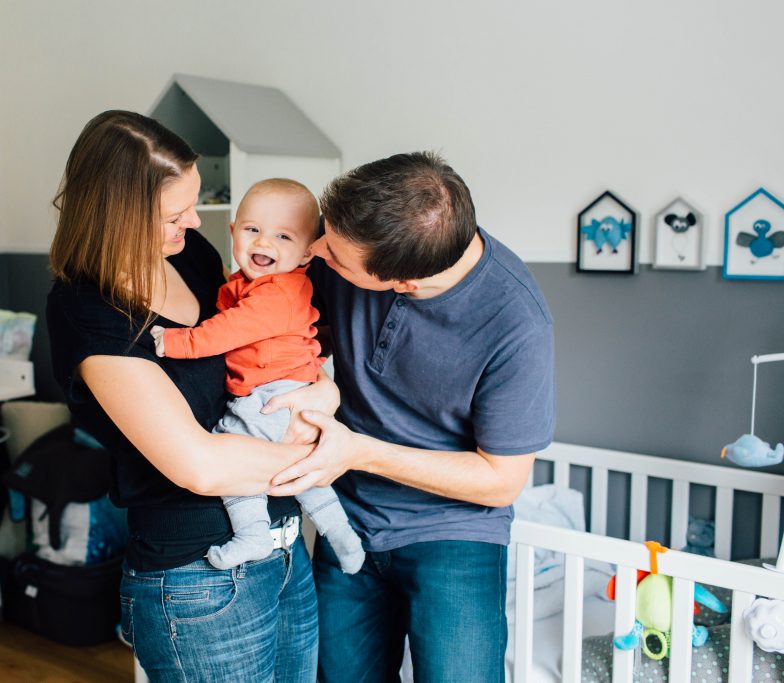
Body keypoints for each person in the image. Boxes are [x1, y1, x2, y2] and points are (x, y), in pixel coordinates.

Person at [46, 111, 337, 682]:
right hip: (197, 579)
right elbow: (199, 465)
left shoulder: (193, 256)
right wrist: (328, 454)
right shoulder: (89, 312)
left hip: (282, 550)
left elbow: (270, 344)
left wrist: (324, 390)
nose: (195, 222)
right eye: (174, 215)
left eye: (193, 205)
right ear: (118, 218)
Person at [268, 152, 555, 683]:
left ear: (401, 284)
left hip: (454, 534)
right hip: (348, 519)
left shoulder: (516, 325)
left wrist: (359, 450)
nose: (315, 251)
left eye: (331, 252)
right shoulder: (367, 244)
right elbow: (300, 334)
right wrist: (323, 383)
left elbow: (501, 481)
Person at [150, 178, 365, 574]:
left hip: (271, 394)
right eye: (252, 230)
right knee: (307, 477)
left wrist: (176, 342)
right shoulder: (250, 284)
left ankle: (252, 535)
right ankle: (343, 538)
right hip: (283, 389)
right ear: (233, 232)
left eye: (283, 236)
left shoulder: (277, 294)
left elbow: (226, 331)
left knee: (234, 456)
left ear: (306, 255)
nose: (264, 243)